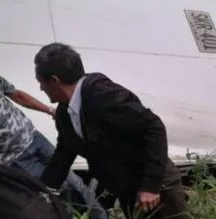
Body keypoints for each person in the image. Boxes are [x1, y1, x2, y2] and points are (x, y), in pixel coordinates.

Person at [34, 43, 191, 219]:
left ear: (54, 81)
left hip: (156, 186)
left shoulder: (101, 94)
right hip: (128, 190)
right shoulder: (65, 114)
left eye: (41, 82)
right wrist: (41, 191)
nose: (41, 88)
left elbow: (153, 127)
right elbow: (64, 154)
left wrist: (151, 185)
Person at [0, 58, 108, 219]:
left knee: (74, 182)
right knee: (49, 195)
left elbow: (17, 96)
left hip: (35, 139)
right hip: (14, 160)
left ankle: (101, 216)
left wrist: (49, 110)